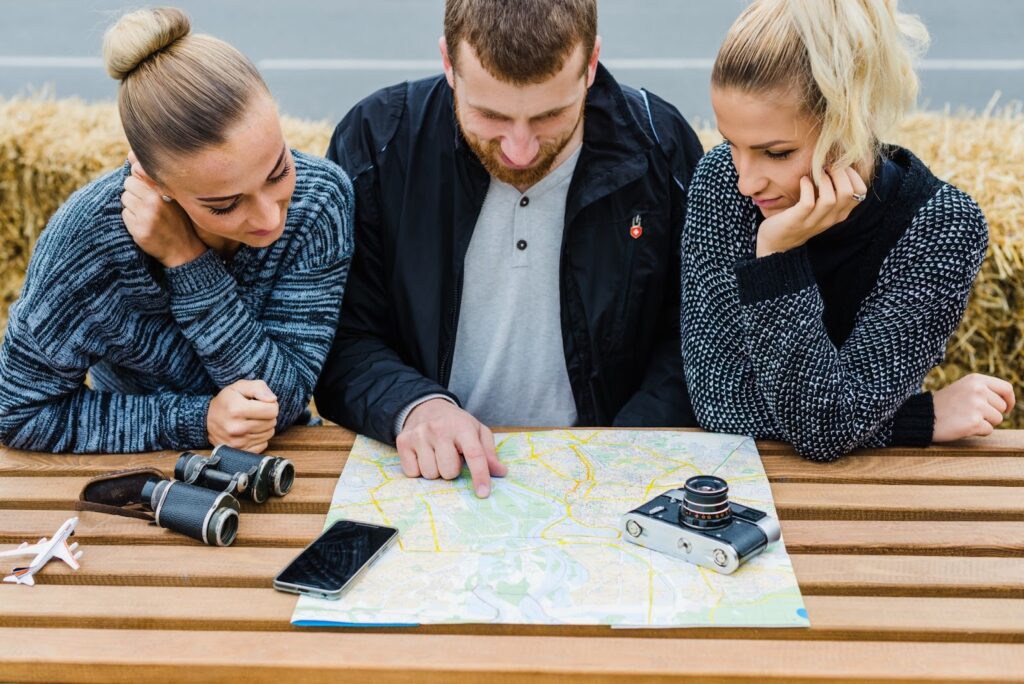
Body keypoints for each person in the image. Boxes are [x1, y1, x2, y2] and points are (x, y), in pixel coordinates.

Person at [315, 0, 703, 497]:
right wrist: (415, 405)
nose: (520, 150)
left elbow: (694, 331)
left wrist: (625, 445)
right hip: (433, 477)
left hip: (612, 477)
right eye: (490, 115)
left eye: (550, 116)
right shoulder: (377, 139)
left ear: (591, 66)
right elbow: (342, 335)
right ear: (447, 65)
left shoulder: (661, 143)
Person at [0, 7, 355, 454]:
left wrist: (188, 260)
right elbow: (15, 410)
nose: (270, 219)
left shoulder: (320, 199)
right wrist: (197, 421)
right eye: (225, 204)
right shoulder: (88, 240)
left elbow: (279, 403)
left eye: (279, 170)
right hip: (136, 468)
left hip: (275, 464)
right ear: (152, 180)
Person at [680, 0, 1015, 461]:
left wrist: (776, 261)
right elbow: (720, 405)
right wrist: (920, 417)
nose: (746, 180)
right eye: (730, 142)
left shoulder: (941, 227)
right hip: (745, 489)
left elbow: (826, 429)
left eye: (775, 153)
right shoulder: (721, 183)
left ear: (852, 120)